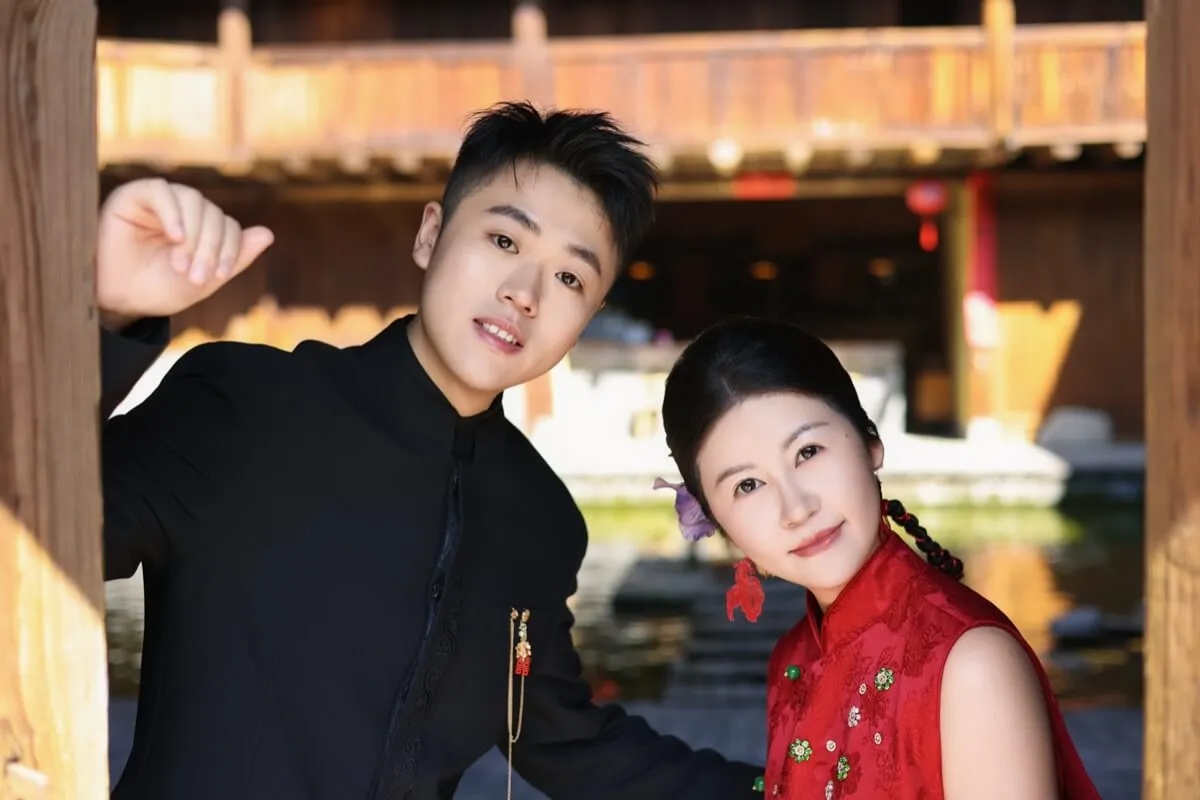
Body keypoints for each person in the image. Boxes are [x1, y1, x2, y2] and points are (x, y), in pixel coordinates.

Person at [98, 102, 763, 799]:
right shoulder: (245, 407)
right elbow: (50, 537)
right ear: (430, 235)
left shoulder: (539, 520)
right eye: (504, 240)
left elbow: (568, 743)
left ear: (587, 318)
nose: (524, 294)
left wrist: (792, 788)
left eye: (570, 278)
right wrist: (109, 320)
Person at [654, 317, 1102, 799]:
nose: (796, 508)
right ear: (722, 526)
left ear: (871, 443)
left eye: (808, 451)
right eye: (748, 485)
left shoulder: (972, 666)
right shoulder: (792, 659)